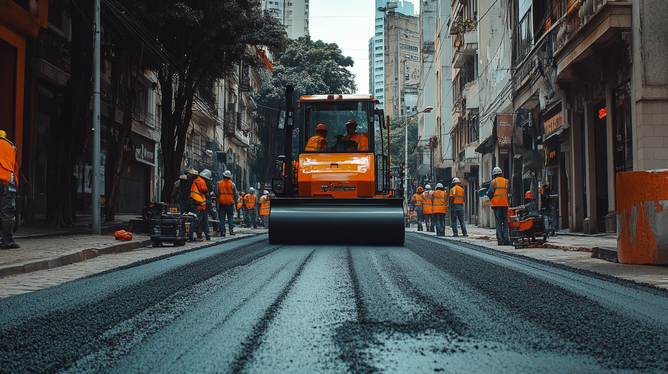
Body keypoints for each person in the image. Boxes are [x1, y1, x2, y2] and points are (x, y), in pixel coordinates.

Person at [0, 130, 19, 249]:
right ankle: (7, 241)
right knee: (7, 212)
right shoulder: (11, 147)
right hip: (6, 180)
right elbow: (15, 168)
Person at [487, 166, 511, 245]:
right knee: (505, 221)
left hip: (496, 204)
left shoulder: (493, 182)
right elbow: (508, 192)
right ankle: (506, 238)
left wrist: (491, 198)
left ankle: (500, 240)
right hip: (504, 204)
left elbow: (490, 192)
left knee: (498, 222)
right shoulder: (506, 181)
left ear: (494, 175)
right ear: (501, 173)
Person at [189, 169, 210, 241]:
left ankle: (200, 235)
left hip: (200, 204)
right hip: (199, 204)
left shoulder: (197, 180)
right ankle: (190, 235)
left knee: (202, 220)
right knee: (197, 221)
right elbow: (205, 190)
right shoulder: (201, 181)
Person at [217, 170, 237, 236]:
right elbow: (235, 193)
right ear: (230, 177)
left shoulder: (219, 183)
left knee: (221, 218)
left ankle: (222, 231)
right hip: (229, 203)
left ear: (223, 176)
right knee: (230, 217)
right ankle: (231, 230)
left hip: (221, 203)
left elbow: (216, 193)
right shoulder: (232, 184)